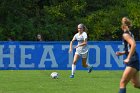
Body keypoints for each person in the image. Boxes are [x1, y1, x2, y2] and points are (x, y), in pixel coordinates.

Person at [116, 17, 140, 93]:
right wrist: (122, 53)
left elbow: (133, 45)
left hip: (132, 60)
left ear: (123, 26)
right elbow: (130, 48)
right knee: (136, 84)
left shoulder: (125, 35)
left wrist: (128, 58)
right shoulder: (130, 34)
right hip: (134, 59)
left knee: (122, 83)